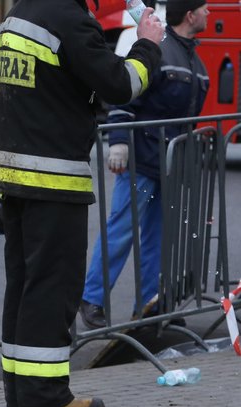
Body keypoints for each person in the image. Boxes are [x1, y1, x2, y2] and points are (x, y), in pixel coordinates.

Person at [0, 0, 164, 407]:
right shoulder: (66, 16)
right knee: (52, 287)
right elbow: (120, 84)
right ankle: (46, 395)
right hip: (53, 178)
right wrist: (148, 45)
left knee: (26, 283)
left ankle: (21, 389)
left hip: (15, 175)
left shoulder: (23, 11)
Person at [79, 0, 210, 329]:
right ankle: (91, 299)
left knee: (157, 238)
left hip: (168, 164)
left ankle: (149, 305)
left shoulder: (194, 60)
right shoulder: (160, 49)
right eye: (205, 9)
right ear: (191, 15)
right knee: (120, 232)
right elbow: (127, 93)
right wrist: (119, 140)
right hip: (142, 159)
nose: (210, 14)